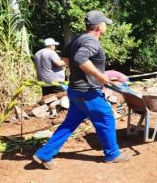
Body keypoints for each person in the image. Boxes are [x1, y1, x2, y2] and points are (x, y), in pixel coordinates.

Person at [33, 10, 130, 169]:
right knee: (106, 119)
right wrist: (101, 77)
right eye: (104, 23)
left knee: (70, 124)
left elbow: (64, 58)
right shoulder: (92, 41)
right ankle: (112, 154)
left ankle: (44, 154)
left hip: (75, 90)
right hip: (88, 93)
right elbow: (79, 59)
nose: (106, 26)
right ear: (99, 26)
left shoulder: (78, 38)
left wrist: (78, 74)